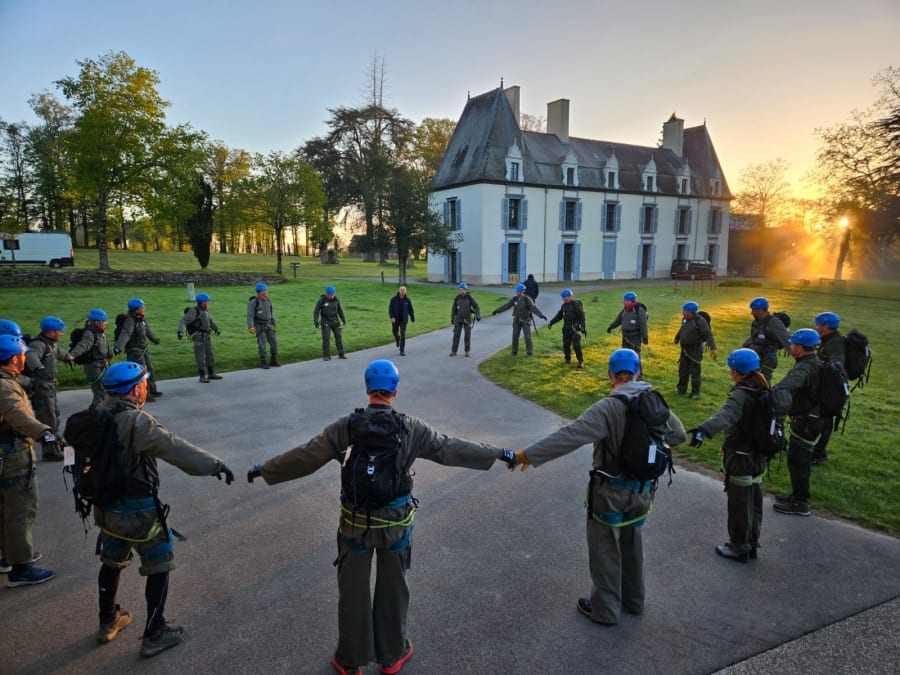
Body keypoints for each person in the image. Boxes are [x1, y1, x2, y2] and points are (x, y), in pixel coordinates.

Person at [247, 359, 513, 674]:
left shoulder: (346, 427)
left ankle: (349, 660)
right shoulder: (412, 428)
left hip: (355, 525)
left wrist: (265, 469)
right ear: (394, 391)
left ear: (367, 389)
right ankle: (392, 655)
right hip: (395, 526)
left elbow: (306, 455)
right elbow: (450, 448)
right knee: (393, 589)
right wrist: (498, 452)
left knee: (353, 593)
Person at [506, 349, 686, 625]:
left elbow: (571, 435)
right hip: (642, 491)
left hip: (610, 494)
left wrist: (528, 455)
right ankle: (634, 601)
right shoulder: (654, 401)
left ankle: (605, 610)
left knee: (605, 551)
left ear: (610, 375)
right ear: (638, 372)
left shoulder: (608, 407)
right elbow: (679, 435)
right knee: (632, 544)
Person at [70, 361, 233, 656]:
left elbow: (73, 456)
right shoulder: (136, 422)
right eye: (143, 383)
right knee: (159, 564)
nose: (145, 388)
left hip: (105, 509)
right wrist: (215, 465)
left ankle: (108, 620)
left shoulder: (93, 415)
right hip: (138, 510)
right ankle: (155, 633)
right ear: (136, 389)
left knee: (111, 562)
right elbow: (173, 447)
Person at [686, 349, 770, 563]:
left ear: (737, 371)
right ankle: (752, 543)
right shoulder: (763, 387)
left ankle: (739, 547)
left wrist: (703, 430)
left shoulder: (741, 394)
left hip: (741, 457)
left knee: (739, 503)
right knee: (754, 500)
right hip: (759, 455)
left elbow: (726, 415)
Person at [0, 334, 59, 587]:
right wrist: (43, 432)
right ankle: (21, 567)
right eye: (22, 355)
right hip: (13, 455)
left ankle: (8, 557)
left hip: (5, 453)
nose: (25, 358)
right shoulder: (5, 387)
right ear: (14, 359)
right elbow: (16, 413)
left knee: (5, 510)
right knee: (21, 510)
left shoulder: (7, 380)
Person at [772, 329, 823, 517]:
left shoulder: (805, 367)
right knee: (797, 458)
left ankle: (801, 503)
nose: (791, 347)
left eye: (793, 344)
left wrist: (770, 395)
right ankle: (796, 496)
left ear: (800, 347)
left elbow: (786, 385)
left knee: (799, 461)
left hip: (806, 421)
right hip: (811, 419)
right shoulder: (814, 361)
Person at [25, 316, 74, 460]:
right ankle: (49, 450)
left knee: (55, 416)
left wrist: (69, 357)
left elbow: (59, 353)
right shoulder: (39, 344)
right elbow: (30, 355)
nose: (62, 334)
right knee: (47, 418)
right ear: (50, 332)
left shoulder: (51, 344)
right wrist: (38, 367)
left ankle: (55, 444)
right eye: (59, 331)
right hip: (42, 386)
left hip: (50, 385)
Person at [811, 312, 845, 465]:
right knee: (825, 420)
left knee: (825, 420)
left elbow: (837, 364)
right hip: (827, 386)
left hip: (831, 388)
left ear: (825, 327)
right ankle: (819, 451)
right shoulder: (828, 340)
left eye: (818, 325)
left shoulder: (835, 343)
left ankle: (819, 453)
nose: (816, 327)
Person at [115, 299, 163, 400]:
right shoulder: (130, 321)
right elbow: (125, 334)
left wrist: (154, 339)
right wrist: (118, 348)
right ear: (136, 310)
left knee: (149, 369)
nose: (144, 308)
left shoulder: (142, 320)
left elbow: (148, 331)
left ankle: (152, 390)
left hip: (143, 349)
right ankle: (144, 394)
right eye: (142, 307)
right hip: (135, 351)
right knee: (140, 372)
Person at [68, 309, 114, 408]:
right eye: (104, 321)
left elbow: (106, 346)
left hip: (101, 364)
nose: (106, 323)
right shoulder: (90, 333)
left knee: (104, 388)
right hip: (93, 366)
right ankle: (97, 409)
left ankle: (101, 407)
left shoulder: (100, 332)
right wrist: (72, 355)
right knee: (100, 390)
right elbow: (84, 345)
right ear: (97, 322)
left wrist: (111, 354)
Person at [673, 301, 718, 398]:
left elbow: (708, 335)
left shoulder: (700, 321)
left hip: (695, 350)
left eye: (685, 311)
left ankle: (695, 393)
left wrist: (713, 348)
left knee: (695, 373)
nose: (683, 313)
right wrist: (677, 338)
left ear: (691, 312)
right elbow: (682, 329)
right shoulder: (685, 319)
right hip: (684, 350)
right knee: (683, 371)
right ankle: (681, 390)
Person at [742, 297, 790, 383]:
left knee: (763, 380)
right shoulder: (755, 322)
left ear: (761, 310)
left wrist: (799, 357)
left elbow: (785, 339)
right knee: (751, 378)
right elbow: (753, 338)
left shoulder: (774, 322)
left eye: (754, 310)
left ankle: (766, 391)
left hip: (768, 358)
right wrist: (744, 347)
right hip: (755, 355)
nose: (752, 312)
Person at [491, 283, 547, 356]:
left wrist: (541, 315)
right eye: (517, 291)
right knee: (515, 336)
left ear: (523, 291)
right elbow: (507, 306)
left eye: (519, 291)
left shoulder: (527, 299)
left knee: (527, 337)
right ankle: (514, 352)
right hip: (516, 320)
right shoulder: (514, 299)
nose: (517, 293)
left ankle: (529, 353)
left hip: (526, 320)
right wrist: (497, 310)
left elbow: (533, 308)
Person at [177, 293, 222, 383]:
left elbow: (210, 321)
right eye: (207, 302)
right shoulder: (194, 311)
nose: (208, 303)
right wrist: (180, 331)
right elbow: (183, 320)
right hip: (198, 336)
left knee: (210, 354)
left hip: (207, 336)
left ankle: (211, 373)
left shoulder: (205, 311)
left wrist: (216, 329)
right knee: (200, 356)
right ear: (202, 302)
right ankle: (202, 376)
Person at [547, 288, 586, 368]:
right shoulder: (564, 306)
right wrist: (551, 322)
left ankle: (580, 361)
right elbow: (559, 315)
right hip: (566, 328)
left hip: (575, 328)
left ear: (570, 296)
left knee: (576, 345)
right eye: (563, 297)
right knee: (566, 345)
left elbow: (582, 316)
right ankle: (568, 360)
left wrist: (583, 327)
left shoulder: (575, 304)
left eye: (565, 297)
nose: (563, 299)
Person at [247, 283, 279, 369]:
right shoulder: (254, 302)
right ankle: (263, 362)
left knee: (274, 342)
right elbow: (250, 315)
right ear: (259, 292)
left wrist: (274, 324)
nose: (266, 291)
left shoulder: (268, 300)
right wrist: (250, 327)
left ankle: (273, 360)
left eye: (266, 290)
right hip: (259, 326)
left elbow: (271, 313)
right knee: (262, 344)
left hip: (269, 325)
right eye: (264, 290)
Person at [314, 285, 347, 361]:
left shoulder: (336, 300)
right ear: (327, 294)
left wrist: (343, 319)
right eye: (330, 295)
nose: (331, 296)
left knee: (338, 336)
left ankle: (341, 354)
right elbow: (316, 311)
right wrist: (315, 320)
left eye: (333, 295)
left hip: (335, 320)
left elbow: (340, 310)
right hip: (325, 320)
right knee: (326, 337)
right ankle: (326, 355)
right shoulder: (322, 300)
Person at [450, 283, 481, 357]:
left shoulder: (469, 297)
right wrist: (452, 317)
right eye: (459, 289)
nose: (460, 291)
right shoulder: (457, 298)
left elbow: (476, 307)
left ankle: (467, 351)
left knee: (467, 336)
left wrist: (478, 315)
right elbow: (454, 308)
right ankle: (454, 351)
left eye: (462, 289)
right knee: (456, 335)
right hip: (458, 319)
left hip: (467, 319)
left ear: (465, 290)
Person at [388, 286, 415, 356]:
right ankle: (397, 339)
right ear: (399, 290)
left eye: (404, 290)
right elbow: (390, 309)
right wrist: (392, 317)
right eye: (401, 290)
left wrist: (413, 319)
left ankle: (402, 350)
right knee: (394, 331)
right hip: (395, 319)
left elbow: (411, 310)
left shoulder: (407, 300)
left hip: (404, 320)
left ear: (406, 291)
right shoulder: (393, 299)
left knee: (403, 334)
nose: (402, 291)